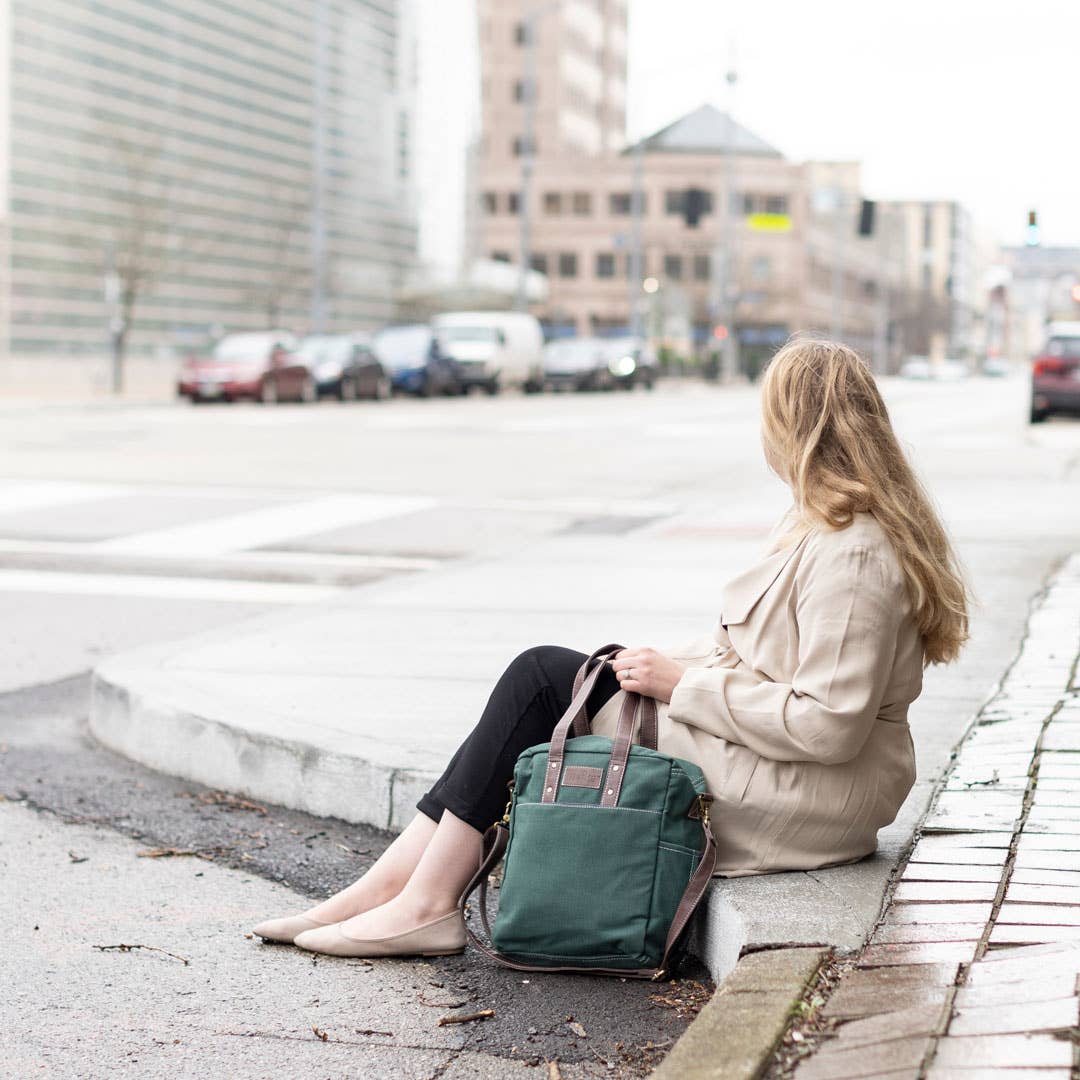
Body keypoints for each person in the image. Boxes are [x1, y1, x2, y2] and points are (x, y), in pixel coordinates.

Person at [252, 337, 969, 958]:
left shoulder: (854, 553)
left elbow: (827, 725)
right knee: (556, 677)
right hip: (772, 760)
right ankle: (391, 892)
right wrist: (648, 665)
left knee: (540, 679)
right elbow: (761, 657)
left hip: (808, 793)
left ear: (796, 426)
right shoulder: (823, 523)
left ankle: (419, 901)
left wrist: (678, 684)